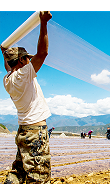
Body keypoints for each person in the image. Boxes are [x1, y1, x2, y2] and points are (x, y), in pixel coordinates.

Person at [1, 11, 52, 184]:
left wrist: (4, 53)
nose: (30, 61)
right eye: (27, 59)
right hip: (35, 133)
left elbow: (9, 66)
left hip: (23, 131)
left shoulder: (7, 79)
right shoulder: (24, 74)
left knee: (19, 171)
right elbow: (43, 53)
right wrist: (43, 23)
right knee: (38, 177)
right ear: (22, 61)